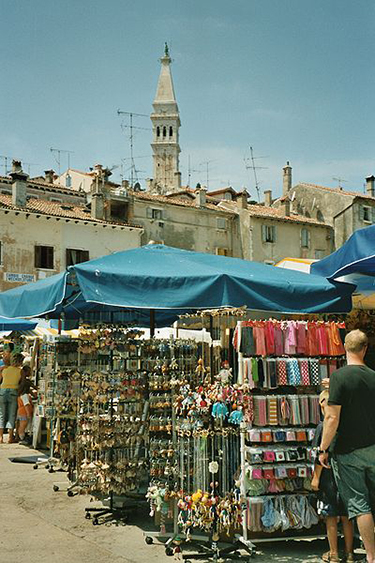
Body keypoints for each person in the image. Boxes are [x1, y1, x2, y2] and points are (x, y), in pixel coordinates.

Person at [319, 329, 375, 563]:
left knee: (360, 505)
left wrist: (323, 448)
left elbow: (332, 418)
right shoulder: (373, 376)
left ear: (344, 347)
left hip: (347, 451)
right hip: (372, 446)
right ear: (365, 349)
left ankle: (372, 557)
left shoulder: (339, 377)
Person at [312, 390, 354, 562]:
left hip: (329, 476)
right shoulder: (345, 424)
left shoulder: (323, 427)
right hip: (346, 474)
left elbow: (319, 456)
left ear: (322, 404)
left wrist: (315, 478)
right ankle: (350, 553)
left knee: (330, 515)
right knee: (346, 516)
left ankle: (334, 553)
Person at [0, 352, 24, 443]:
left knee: (1, 414)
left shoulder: (4, 369)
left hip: (2, 391)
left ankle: (1, 438)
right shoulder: (20, 371)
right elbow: (22, 383)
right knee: (12, 415)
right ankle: (10, 438)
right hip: (13, 391)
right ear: (20, 362)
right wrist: (18, 391)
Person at [16, 365, 35, 445]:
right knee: (23, 426)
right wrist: (28, 414)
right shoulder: (25, 396)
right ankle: (22, 438)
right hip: (24, 413)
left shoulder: (21, 395)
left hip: (21, 412)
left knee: (22, 425)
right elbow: (26, 405)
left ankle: (21, 436)